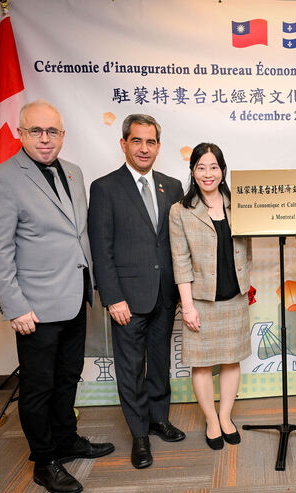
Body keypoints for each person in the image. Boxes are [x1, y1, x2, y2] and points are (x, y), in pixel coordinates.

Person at [0, 100, 114, 493]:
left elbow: (77, 234)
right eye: (35, 131)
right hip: (35, 307)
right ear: (20, 133)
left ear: (62, 135)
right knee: (38, 387)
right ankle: (44, 460)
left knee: (68, 376)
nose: (44, 138)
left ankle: (66, 439)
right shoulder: (1, 179)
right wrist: (15, 306)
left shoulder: (73, 172)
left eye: (52, 131)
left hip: (75, 297)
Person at [88, 114, 185, 469]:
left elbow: (177, 241)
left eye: (151, 142)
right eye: (137, 141)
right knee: (130, 369)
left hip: (164, 294)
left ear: (158, 146)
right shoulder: (105, 187)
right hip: (126, 299)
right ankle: (140, 435)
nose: (144, 148)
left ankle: (159, 419)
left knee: (159, 363)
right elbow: (101, 249)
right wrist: (113, 297)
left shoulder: (172, 186)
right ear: (124, 144)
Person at [169, 143, 252, 451]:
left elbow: (249, 245)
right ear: (193, 172)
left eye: (214, 167)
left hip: (234, 297)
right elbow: (180, 261)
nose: (208, 173)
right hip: (201, 301)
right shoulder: (180, 211)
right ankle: (211, 420)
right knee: (202, 366)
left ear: (223, 170)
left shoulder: (239, 204)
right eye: (201, 167)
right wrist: (187, 307)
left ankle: (226, 416)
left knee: (231, 360)